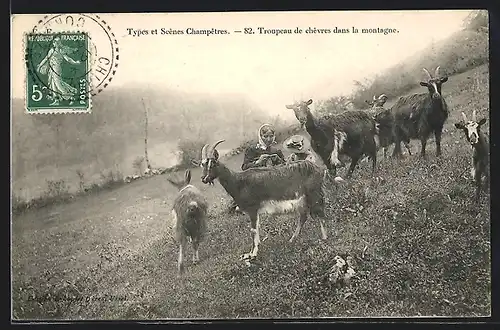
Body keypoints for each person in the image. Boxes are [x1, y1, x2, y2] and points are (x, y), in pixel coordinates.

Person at [228, 124, 285, 213]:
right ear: (260, 136)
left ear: (274, 137)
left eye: (271, 136)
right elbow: (245, 167)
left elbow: (285, 168)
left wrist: (278, 160)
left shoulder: (276, 151)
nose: (269, 139)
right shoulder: (252, 149)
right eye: (265, 136)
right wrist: (258, 162)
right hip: (256, 181)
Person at [36, 36, 81, 106]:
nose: (55, 43)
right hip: (52, 69)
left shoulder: (61, 50)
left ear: (59, 43)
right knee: (53, 84)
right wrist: (40, 66)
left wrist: (75, 62)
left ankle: (71, 97)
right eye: (54, 41)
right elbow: (46, 59)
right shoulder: (51, 50)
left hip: (57, 68)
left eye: (57, 42)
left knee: (58, 84)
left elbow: (68, 59)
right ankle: (56, 100)